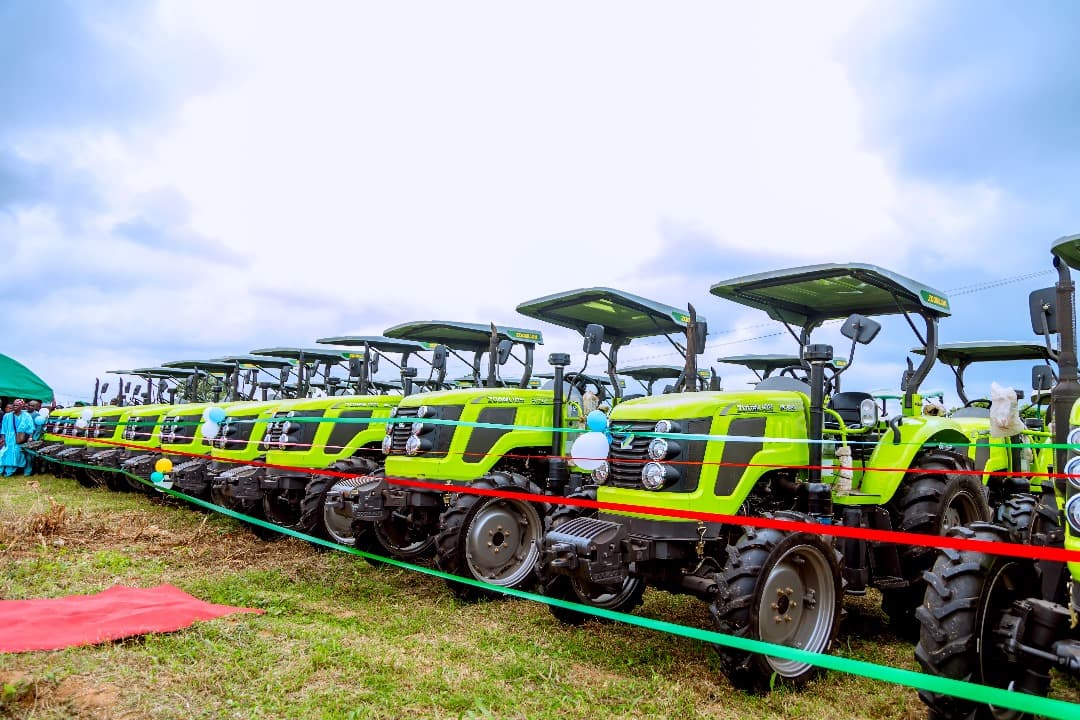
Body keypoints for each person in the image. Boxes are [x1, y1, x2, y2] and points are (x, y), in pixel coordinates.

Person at [1, 399, 35, 477]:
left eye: (17, 405)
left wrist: (30, 438)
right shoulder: (7, 416)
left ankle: (9, 471)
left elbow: (30, 428)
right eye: (14, 405)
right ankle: (2, 470)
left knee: (16, 454)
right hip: (8, 439)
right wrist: (3, 439)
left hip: (19, 439)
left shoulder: (26, 416)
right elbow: (3, 429)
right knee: (4, 453)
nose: (14, 407)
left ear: (21, 406)